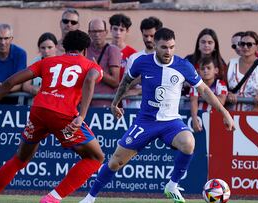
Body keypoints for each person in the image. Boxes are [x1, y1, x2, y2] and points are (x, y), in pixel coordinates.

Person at [79, 28, 235, 203]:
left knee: (189, 142)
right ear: (155, 45)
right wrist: (115, 103)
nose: (168, 51)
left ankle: (172, 185)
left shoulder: (184, 66)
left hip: (171, 123)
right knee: (116, 161)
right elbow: (126, 82)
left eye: (171, 47)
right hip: (146, 122)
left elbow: (204, 90)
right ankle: (90, 198)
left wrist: (225, 113)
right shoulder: (142, 62)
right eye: (163, 47)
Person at [0, 30, 105, 203]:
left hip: (38, 111)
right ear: (85, 49)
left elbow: (9, 82)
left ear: (64, 46)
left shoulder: (47, 62)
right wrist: (82, 115)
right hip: (64, 114)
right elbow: (91, 78)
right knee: (95, 157)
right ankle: (52, 198)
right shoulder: (91, 65)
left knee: (20, 158)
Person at [121, 16, 163, 108]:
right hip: (134, 108)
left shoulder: (164, 58)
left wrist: (138, 91)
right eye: (145, 36)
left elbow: (163, 85)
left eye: (152, 36)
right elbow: (124, 85)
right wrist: (139, 79)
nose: (148, 39)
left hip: (157, 109)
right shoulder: (134, 58)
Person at [227, 31, 258, 112]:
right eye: (242, 44)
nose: (245, 47)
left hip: (254, 116)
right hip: (231, 114)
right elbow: (222, 85)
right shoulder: (231, 63)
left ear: (257, 47)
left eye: (249, 44)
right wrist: (229, 93)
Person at [86, 18, 122, 107]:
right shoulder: (85, 49)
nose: (97, 34)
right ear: (89, 33)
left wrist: (98, 69)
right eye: (94, 31)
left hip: (104, 103)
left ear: (106, 32)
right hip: (85, 103)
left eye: (100, 31)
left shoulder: (112, 50)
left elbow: (115, 81)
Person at [189, 56, 228, 132]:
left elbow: (221, 102)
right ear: (198, 71)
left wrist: (203, 94)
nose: (205, 71)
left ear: (216, 70)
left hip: (216, 118)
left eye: (208, 68)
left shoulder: (220, 84)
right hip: (200, 118)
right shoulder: (195, 85)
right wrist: (194, 119)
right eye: (203, 69)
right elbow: (194, 101)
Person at [22, 32, 58, 99]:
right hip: (36, 103)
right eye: (43, 48)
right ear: (39, 49)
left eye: (50, 47)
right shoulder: (35, 62)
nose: (46, 51)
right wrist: (33, 88)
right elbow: (25, 85)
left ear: (56, 47)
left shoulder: (62, 63)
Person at [109, 13, 137, 81]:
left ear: (127, 31)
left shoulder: (133, 54)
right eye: (115, 29)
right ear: (110, 29)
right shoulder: (104, 50)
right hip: (106, 90)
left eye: (121, 30)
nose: (118, 33)